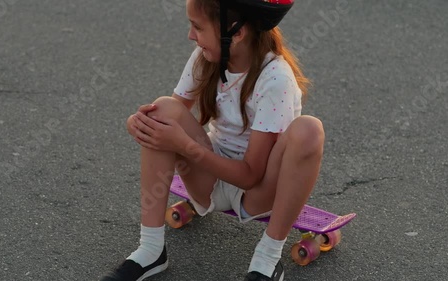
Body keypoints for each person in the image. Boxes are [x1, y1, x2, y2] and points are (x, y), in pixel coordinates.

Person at [100, 0, 324, 280]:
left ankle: (267, 258)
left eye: (197, 27)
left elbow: (250, 176)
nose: (190, 36)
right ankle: (150, 248)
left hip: (257, 194)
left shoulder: (275, 79)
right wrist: (141, 123)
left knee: (309, 130)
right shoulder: (205, 57)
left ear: (236, 32)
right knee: (161, 111)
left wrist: (184, 145)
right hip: (210, 184)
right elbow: (172, 111)